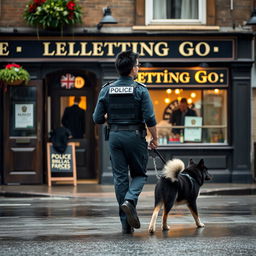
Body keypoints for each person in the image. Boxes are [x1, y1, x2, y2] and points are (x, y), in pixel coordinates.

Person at [93, 50, 158, 234]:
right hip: (135, 136)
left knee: (120, 178)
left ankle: (126, 224)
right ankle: (129, 201)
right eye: (137, 65)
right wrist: (155, 138)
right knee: (139, 174)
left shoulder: (106, 89)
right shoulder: (140, 90)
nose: (139, 68)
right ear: (131, 69)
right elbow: (150, 118)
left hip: (114, 137)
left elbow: (97, 118)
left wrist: (112, 120)